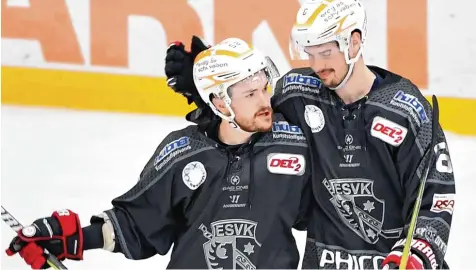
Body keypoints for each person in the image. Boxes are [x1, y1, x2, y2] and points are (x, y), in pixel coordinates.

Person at [164, 0, 456, 269]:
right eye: (310, 54)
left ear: (354, 43)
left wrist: (415, 257)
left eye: (326, 53)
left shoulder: (406, 109)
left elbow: (436, 197)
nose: (316, 66)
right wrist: (210, 93)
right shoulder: (297, 93)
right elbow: (250, 127)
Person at [5, 38, 312, 269]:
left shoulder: (293, 142)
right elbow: (138, 223)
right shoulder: (183, 154)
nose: (264, 100)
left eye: (264, 88)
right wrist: (76, 238)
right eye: (250, 93)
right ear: (220, 104)